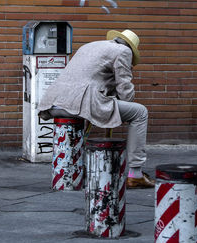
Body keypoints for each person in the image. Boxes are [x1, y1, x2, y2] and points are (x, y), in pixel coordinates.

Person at [38, 29, 154, 189]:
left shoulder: (90, 45)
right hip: (79, 103)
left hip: (54, 102)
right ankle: (136, 174)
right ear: (132, 48)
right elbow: (125, 92)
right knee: (140, 112)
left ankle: (80, 169)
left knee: (92, 108)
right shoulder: (124, 51)